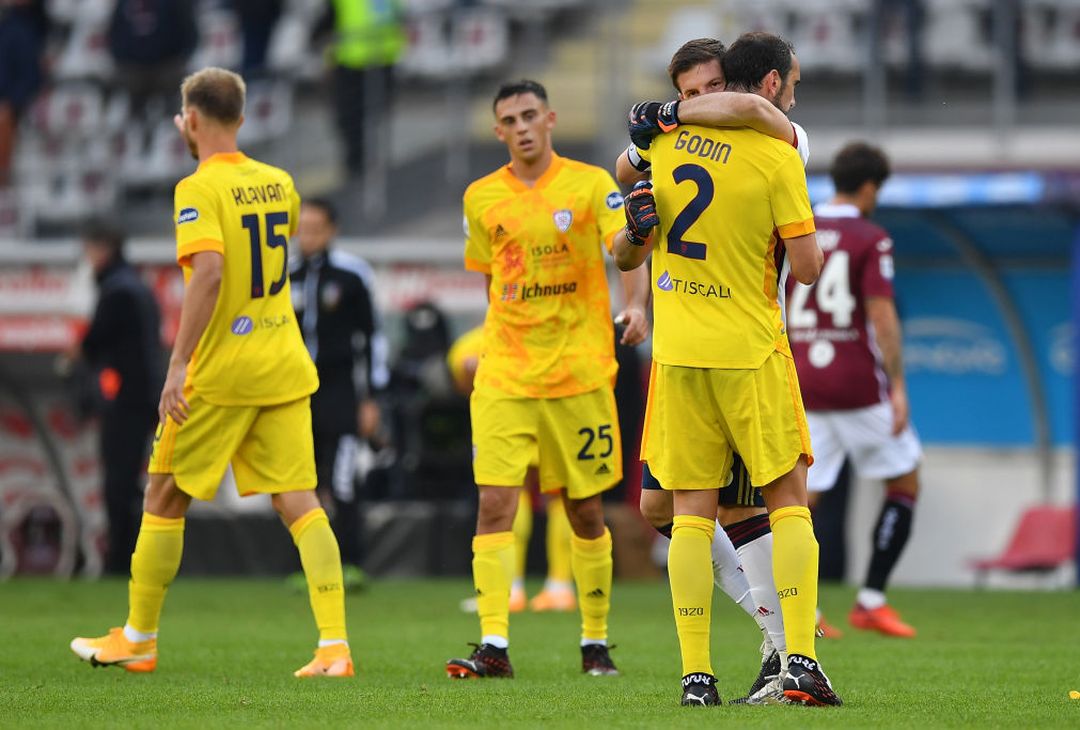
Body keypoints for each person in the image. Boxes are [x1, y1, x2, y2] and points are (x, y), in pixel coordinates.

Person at [70, 67, 352, 678]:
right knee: (300, 502)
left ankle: (139, 638)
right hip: (283, 362)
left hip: (224, 369)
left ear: (189, 120)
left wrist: (177, 366)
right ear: (243, 119)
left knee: (164, 494)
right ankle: (334, 647)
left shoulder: (197, 188)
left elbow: (212, 275)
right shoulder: (280, 182)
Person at [615, 32, 841, 707]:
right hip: (747, 348)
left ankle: (712, 673)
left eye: (709, 90)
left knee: (691, 512)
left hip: (681, 354)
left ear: (733, 85)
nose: (701, 102)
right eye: (687, 94)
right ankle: (794, 654)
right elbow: (805, 270)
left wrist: (662, 119)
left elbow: (636, 161)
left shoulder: (679, 140)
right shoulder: (775, 157)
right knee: (781, 500)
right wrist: (635, 225)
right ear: (773, 81)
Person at [445, 79, 650, 680]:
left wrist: (635, 306)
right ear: (499, 131)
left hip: (580, 372)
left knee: (585, 511)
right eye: (511, 119)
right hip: (506, 375)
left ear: (550, 118)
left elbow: (626, 247)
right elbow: (489, 281)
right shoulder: (480, 197)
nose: (523, 126)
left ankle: (594, 641)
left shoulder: (589, 185)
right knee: (494, 506)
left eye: (531, 114)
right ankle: (493, 644)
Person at [787, 141, 921, 638]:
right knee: (905, 482)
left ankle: (808, 612)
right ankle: (870, 600)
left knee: (800, 502)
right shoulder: (871, 236)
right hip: (858, 385)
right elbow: (882, 316)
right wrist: (899, 386)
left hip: (802, 381)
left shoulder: (795, 227)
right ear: (868, 187)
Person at [290, 197, 389, 589]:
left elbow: (373, 336)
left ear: (332, 231)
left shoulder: (352, 276)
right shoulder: (286, 275)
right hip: (297, 394)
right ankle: (309, 566)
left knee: (344, 480)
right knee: (301, 481)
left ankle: (351, 562)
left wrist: (372, 397)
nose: (308, 237)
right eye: (303, 229)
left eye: (316, 229)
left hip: (342, 391)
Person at [448, 325, 578, 615]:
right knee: (560, 496)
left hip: (513, 414)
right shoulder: (563, 329)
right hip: (559, 407)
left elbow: (464, 380)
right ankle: (560, 587)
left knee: (513, 492)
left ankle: (512, 588)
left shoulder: (474, 340)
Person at [72, 221, 162, 576]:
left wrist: (78, 355)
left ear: (103, 248)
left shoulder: (116, 291)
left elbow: (93, 342)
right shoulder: (137, 286)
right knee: (133, 482)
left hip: (125, 401)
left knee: (118, 484)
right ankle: (130, 558)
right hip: (143, 398)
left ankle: (120, 561)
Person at [317, 0, 405, 180]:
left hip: (353, 58)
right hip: (383, 55)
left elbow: (328, 20)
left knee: (351, 118)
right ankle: (366, 164)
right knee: (369, 117)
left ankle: (358, 166)